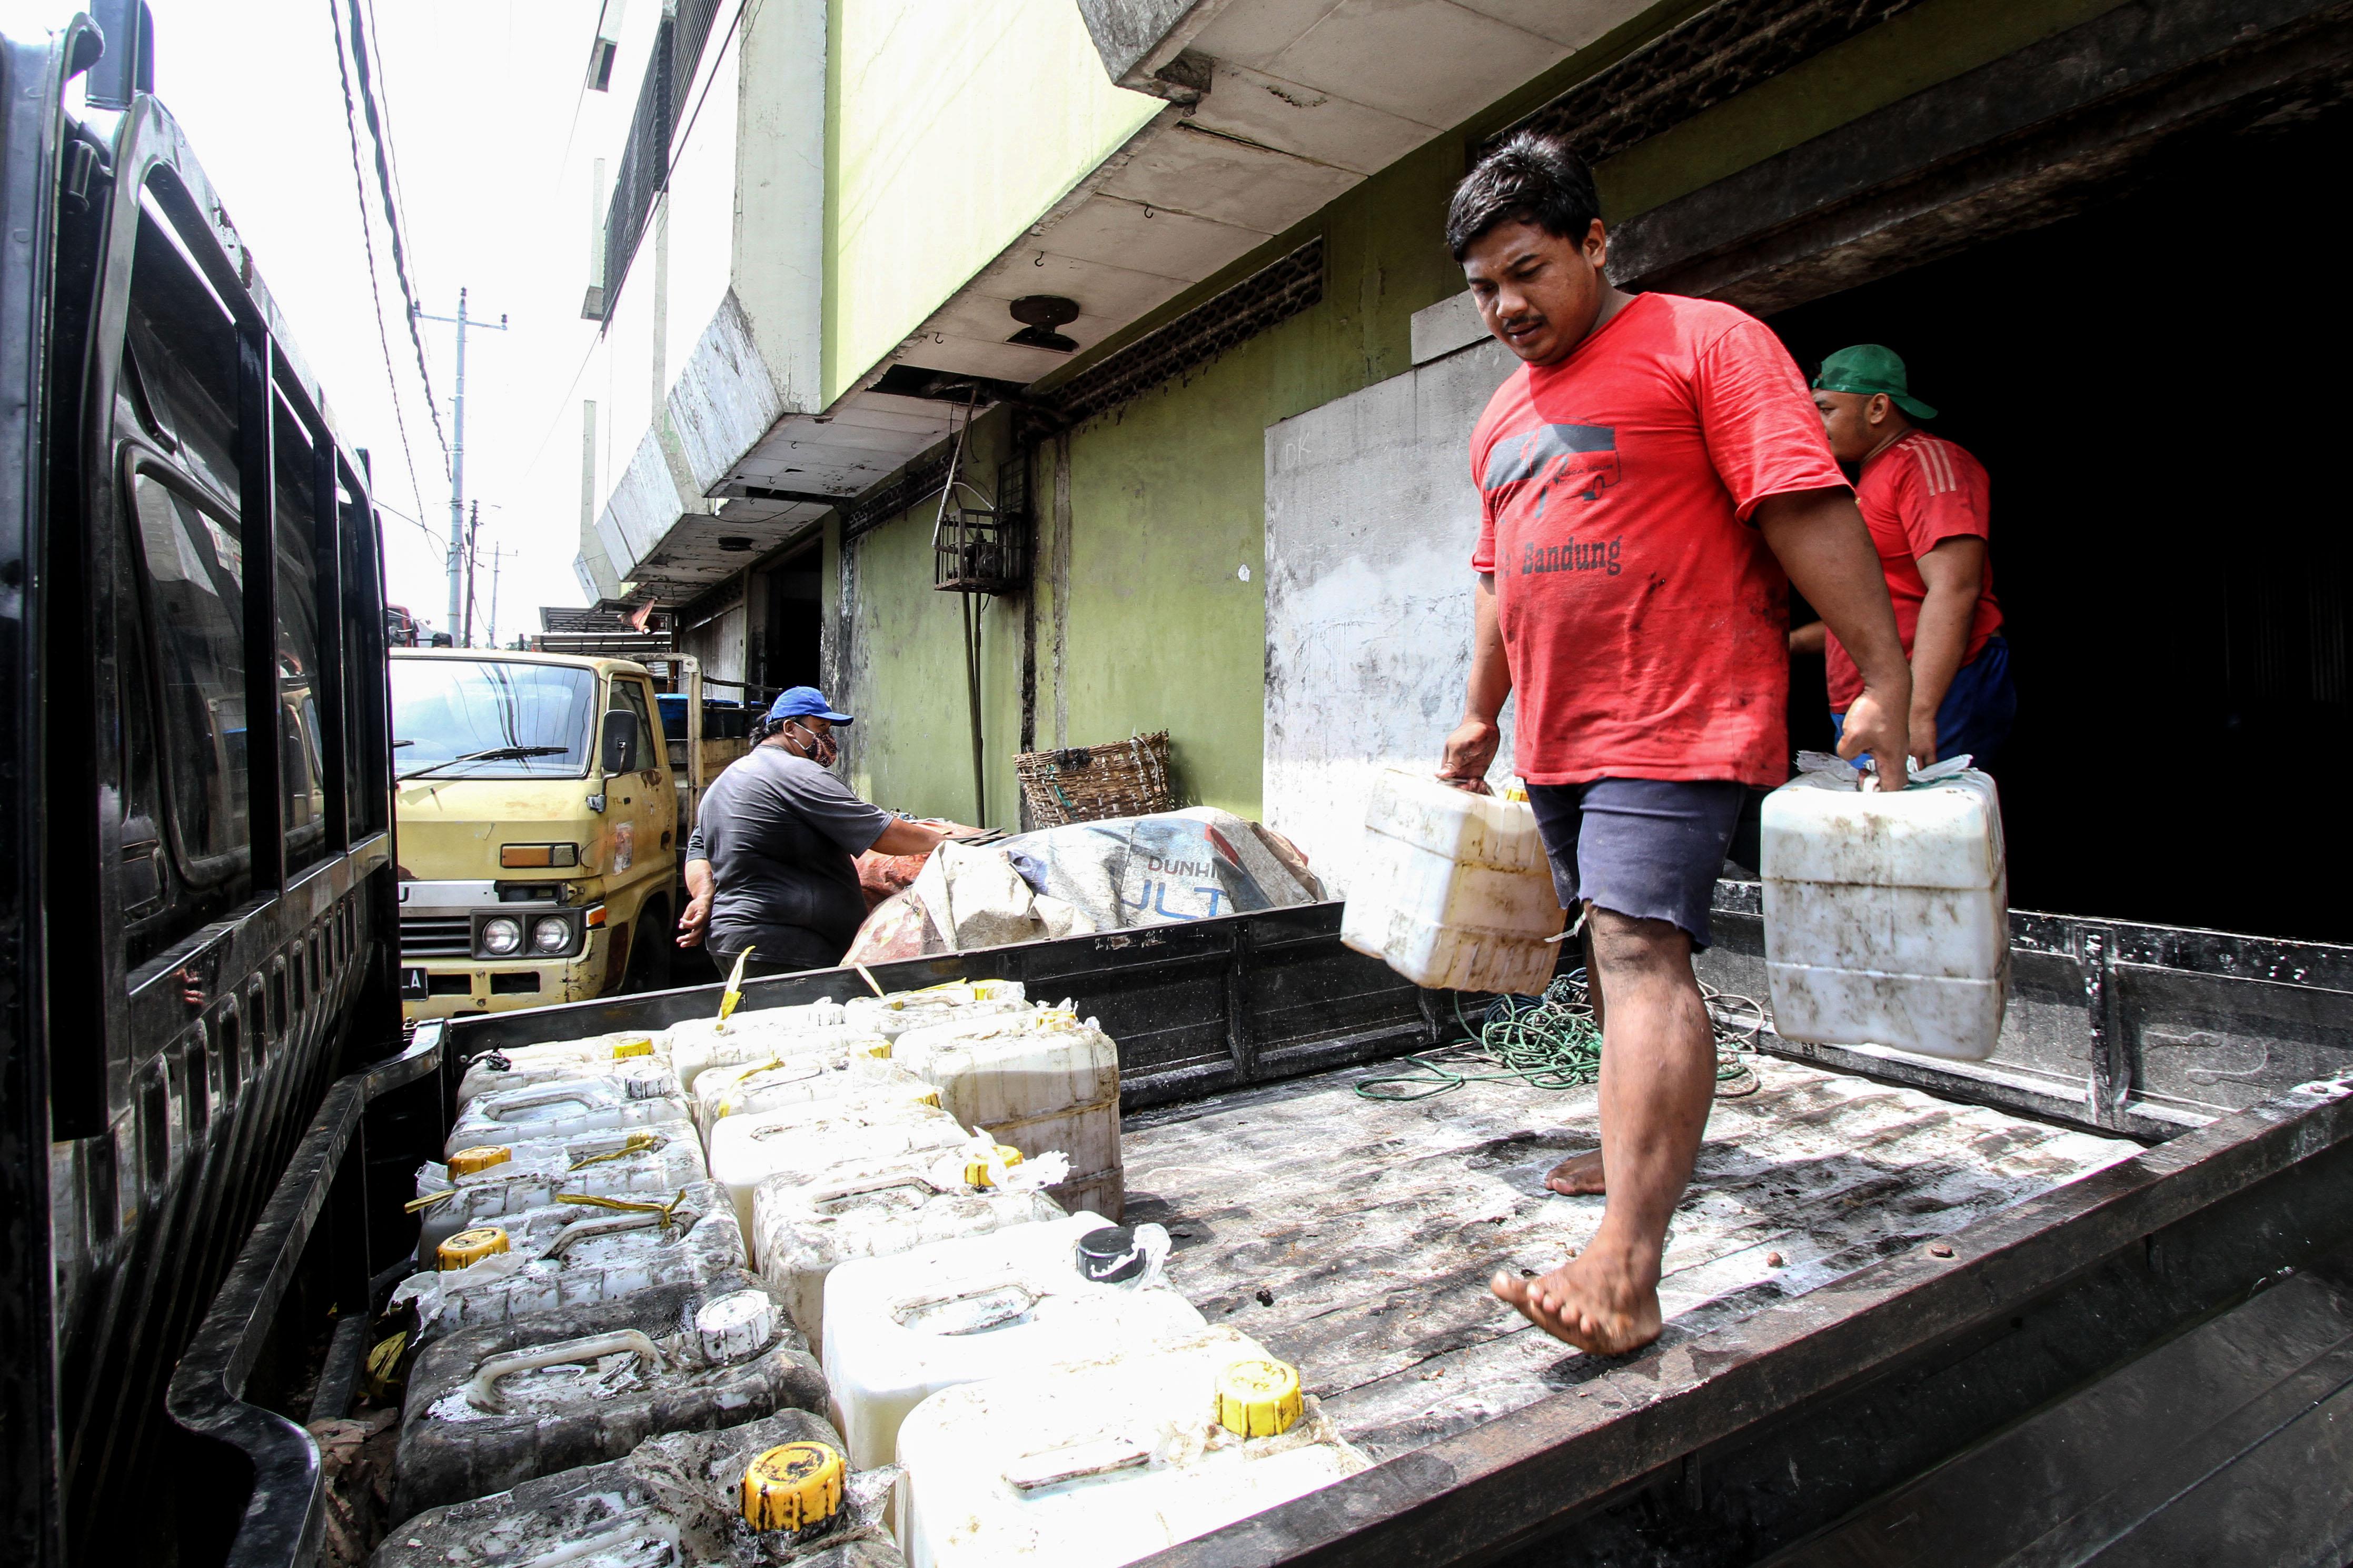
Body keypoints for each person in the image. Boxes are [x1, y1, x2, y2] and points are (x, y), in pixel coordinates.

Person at [1435, 133, 1912, 1356]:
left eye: (1527, 270)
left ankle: (1627, 1266)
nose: (1505, 307)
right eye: (1483, 286)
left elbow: (1802, 502)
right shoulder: (1499, 413)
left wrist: (1885, 674)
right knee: (1605, 944)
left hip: (1678, 704)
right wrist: (1481, 712)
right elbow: (1498, 577)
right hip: (1558, 727)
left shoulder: (1706, 341)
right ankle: (1625, 1150)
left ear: (1597, 242)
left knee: (1643, 949)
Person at [1795, 345, 2014, 768]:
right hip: (1875, 699)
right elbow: (1873, 608)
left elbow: (1954, 586)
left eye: (1825, 410)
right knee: (1882, 830)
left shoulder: (1925, 461)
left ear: (1878, 408)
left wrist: (1919, 711)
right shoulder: (1867, 480)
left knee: (1925, 827)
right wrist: (1786, 644)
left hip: (1935, 688)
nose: (1815, 425)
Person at [676, 686, 943, 976]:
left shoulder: (726, 781)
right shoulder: (798, 774)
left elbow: (698, 851)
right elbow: (880, 832)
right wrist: (950, 842)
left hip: (733, 941)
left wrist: (703, 897)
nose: (828, 739)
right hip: (789, 946)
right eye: (821, 728)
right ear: (790, 728)